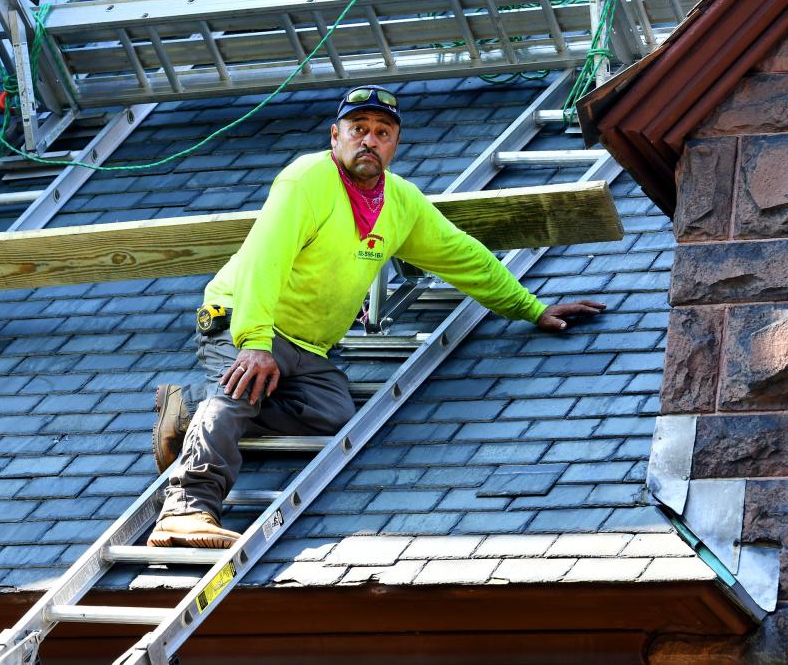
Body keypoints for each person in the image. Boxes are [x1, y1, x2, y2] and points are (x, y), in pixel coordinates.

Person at [147, 85, 605, 548]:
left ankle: (190, 413)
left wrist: (532, 309)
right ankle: (186, 509)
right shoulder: (305, 180)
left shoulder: (400, 203)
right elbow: (267, 260)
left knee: (332, 413)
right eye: (358, 129)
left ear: (394, 144)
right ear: (335, 136)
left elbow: (462, 256)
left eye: (382, 132)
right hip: (242, 317)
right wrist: (255, 342)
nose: (369, 140)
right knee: (239, 390)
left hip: (307, 347)